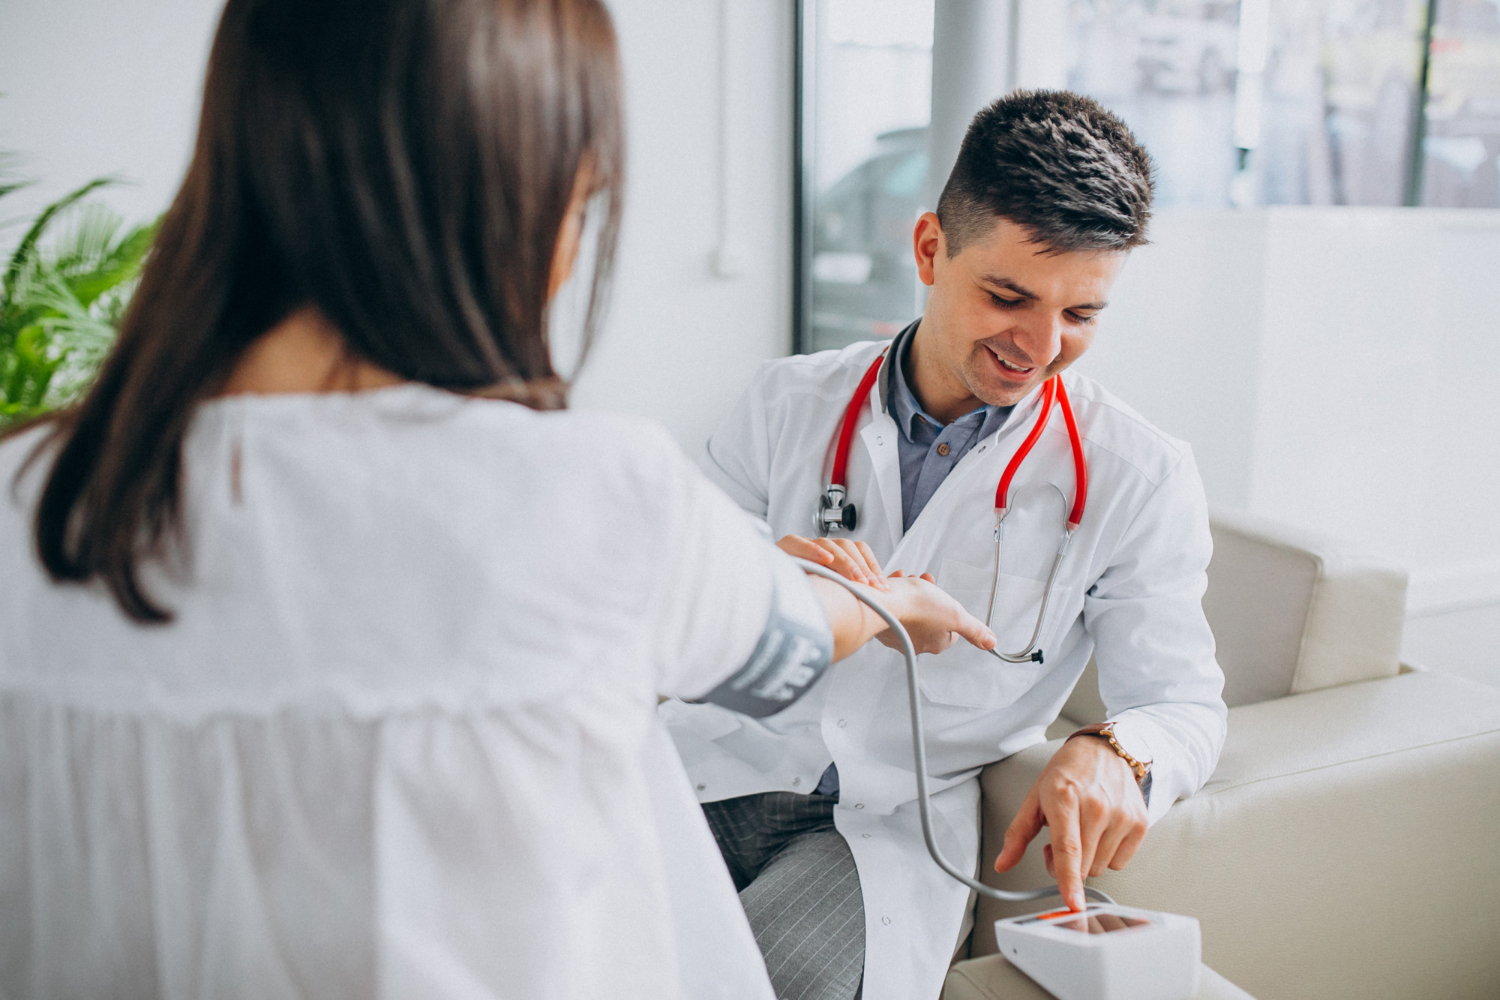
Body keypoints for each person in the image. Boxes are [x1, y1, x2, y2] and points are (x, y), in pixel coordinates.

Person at [0, 1, 998, 997]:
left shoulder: (27, 497)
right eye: (583, 200)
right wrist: (893, 603)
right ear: (520, 199)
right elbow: (782, 641)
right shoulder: (585, 491)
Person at [659, 90, 1229, 1000]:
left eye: (1081, 314)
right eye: (1008, 296)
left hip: (877, 826)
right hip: (706, 769)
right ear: (930, 249)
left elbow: (1186, 704)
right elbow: (678, 603)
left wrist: (1120, 748)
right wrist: (792, 590)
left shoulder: (1138, 475)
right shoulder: (786, 402)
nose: (1040, 347)